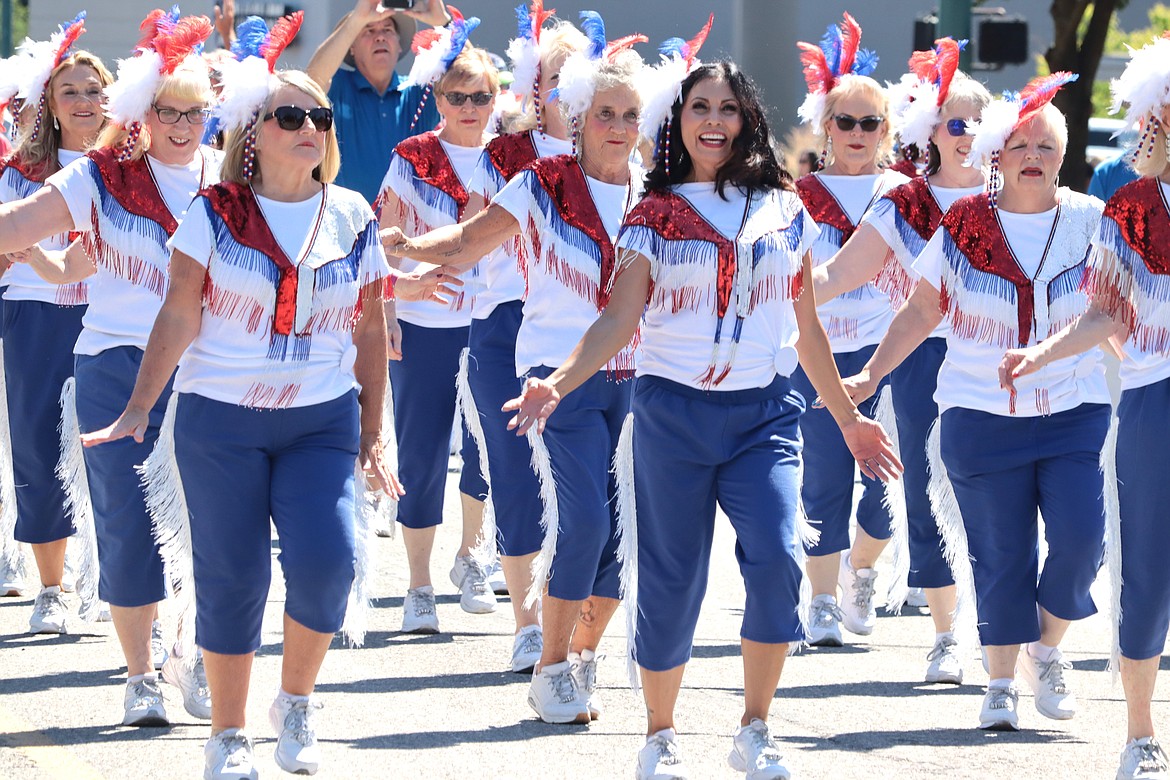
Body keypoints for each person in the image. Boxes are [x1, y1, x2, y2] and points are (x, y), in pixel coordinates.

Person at [503, 44, 902, 776]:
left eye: (727, 107)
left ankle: (754, 728)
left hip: (764, 417)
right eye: (699, 107)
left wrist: (848, 416)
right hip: (672, 415)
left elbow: (805, 325)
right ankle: (660, 734)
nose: (713, 120)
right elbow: (617, 320)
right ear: (677, 121)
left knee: (780, 556)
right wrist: (558, 381)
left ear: (748, 119)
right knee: (670, 577)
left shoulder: (786, 207)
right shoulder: (653, 213)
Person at [80, 17, 449, 772]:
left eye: (319, 116)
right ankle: (228, 734)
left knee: (327, 563)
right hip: (221, 422)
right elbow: (178, 314)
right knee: (233, 575)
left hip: (318, 421)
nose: (310, 127)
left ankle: (296, 705)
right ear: (254, 133)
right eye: (291, 116)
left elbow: (372, 332)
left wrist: (374, 431)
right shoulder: (214, 213)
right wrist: (139, 409)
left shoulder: (352, 214)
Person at [381, 12, 647, 726]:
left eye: (629, 114)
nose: (616, 125)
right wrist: (411, 249)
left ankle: (577, 658)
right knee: (582, 520)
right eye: (603, 112)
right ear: (578, 113)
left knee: (627, 540)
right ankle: (549, 659)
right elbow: (470, 240)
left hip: (640, 380)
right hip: (551, 376)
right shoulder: (540, 180)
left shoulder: (656, 193)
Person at [841, 75, 1110, 731]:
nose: (1033, 157)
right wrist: (872, 374)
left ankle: (1044, 651)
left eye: (1045, 146)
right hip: (979, 414)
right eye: (1020, 144)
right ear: (998, 154)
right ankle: (999, 682)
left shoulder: (1089, 221)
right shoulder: (965, 223)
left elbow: (1116, 310)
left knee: (1081, 542)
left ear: (1062, 156)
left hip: (1074, 410)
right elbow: (920, 308)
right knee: (1000, 552)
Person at [0, 8, 220, 729]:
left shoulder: (229, 184)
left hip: (210, 370)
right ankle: (140, 675)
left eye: (195, 111)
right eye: (167, 111)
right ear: (141, 113)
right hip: (112, 365)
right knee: (127, 522)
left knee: (211, 524)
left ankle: (193, 650)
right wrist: (23, 249)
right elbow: (45, 239)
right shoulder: (104, 177)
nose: (182, 125)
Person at [997, 35, 1170, 777]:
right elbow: (1107, 314)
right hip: (1154, 397)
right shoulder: (1129, 207)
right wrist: (1043, 352)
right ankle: (1139, 732)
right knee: (1147, 569)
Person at [813, 39, 991, 684]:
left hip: (1003, 368)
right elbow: (838, 271)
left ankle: (1010, 632)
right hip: (920, 361)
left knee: (996, 499)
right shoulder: (907, 202)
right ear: (929, 131)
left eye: (977, 120)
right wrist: (764, 288)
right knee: (922, 492)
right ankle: (948, 635)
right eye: (954, 122)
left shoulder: (1014, 196)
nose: (967, 134)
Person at [457, 3, 587, 672]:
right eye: (557, 74)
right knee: (513, 473)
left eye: (581, 73)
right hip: (506, 321)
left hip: (584, 333)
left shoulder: (618, 154)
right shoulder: (505, 154)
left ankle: (581, 619)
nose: (570, 87)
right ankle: (528, 622)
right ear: (535, 85)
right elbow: (470, 235)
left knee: (582, 479)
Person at [375, 11, 497, 630]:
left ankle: (471, 556)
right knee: (422, 453)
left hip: (492, 324)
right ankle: (417, 584)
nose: (472, 107)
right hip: (425, 323)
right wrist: (392, 304)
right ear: (438, 98)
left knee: (486, 449)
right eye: (459, 96)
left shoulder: (509, 158)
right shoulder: (412, 155)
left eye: (483, 96)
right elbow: (383, 241)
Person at [793, 13, 908, 647]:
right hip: (819, 352)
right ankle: (822, 599)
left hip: (889, 348)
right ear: (825, 126)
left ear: (887, 130)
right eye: (845, 121)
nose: (857, 133)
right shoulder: (798, 194)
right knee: (823, 479)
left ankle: (863, 569)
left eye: (870, 122)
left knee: (886, 481)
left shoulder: (903, 192)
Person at [0, 15, 110, 634]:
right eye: (70, 91)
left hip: (113, 318)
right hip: (36, 317)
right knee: (39, 447)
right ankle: (51, 586)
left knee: (113, 450)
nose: (85, 102)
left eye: (95, 90)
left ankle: (108, 576)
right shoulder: (19, 173)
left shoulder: (132, 169)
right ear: (50, 102)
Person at [306, 0, 453, 203]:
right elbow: (310, 81)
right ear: (351, 48)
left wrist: (444, 23)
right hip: (345, 226)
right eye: (368, 31)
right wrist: (357, 18)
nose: (380, 37)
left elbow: (475, 79)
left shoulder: (419, 92)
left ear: (400, 45)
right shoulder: (338, 87)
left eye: (387, 29)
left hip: (409, 231)